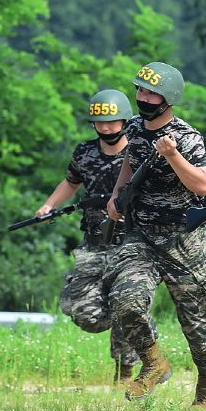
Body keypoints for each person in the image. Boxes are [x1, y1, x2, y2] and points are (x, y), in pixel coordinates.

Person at [105, 62, 206, 409]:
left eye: (150, 92)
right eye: (139, 90)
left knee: (196, 321)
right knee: (125, 299)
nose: (142, 97)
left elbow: (202, 185)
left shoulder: (187, 137)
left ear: (168, 97)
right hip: (141, 234)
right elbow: (130, 161)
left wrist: (172, 155)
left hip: (183, 238)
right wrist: (118, 195)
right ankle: (154, 362)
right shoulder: (134, 127)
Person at [36, 90, 139, 386]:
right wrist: (49, 206)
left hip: (132, 242)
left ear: (123, 120)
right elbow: (71, 182)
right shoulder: (85, 152)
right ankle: (137, 324)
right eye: (99, 123)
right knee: (82, 311)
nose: (105, 128)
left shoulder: (138, 152)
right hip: (94, 240)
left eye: (111, 122)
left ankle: (126, 368)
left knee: (125, 303)